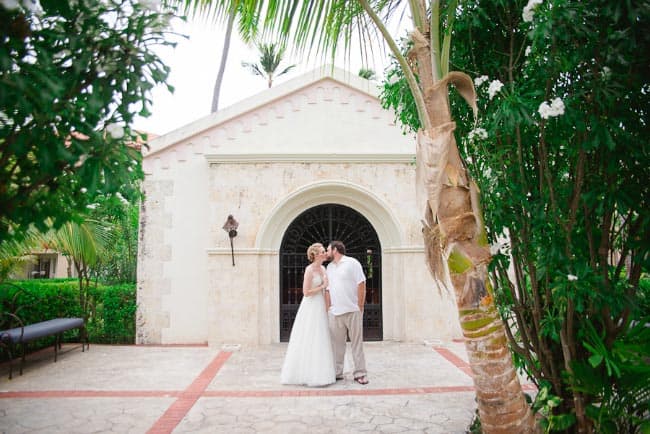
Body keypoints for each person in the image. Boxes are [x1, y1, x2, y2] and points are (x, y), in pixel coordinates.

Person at [280, 243, 336, 387]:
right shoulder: (309, 270)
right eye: (323, 252)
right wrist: (322, 287)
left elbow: (326, 289)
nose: (325, 254)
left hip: (320, 304)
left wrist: (327, 304)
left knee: (321, 336)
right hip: (310, 306)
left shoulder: (323, 268)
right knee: (309, 336)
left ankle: (322, 371)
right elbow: (306, 292)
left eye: (325, 251)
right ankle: (305, 372)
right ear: (316, 255)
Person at [325, 240, 369, 385]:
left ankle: (360, 373)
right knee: (337, 345)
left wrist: (360, 306)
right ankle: (337, 372)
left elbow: (361, 283)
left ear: (335, 249)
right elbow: (328, 289)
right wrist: (328, 309)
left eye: (328, 250)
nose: (326, 252)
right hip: (335, 313)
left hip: (352, 310)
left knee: (357, 344)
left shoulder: (352, 263)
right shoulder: (329, 267)